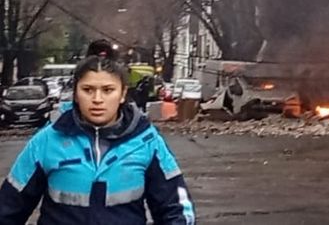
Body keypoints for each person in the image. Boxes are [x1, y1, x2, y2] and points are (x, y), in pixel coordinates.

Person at [0, 56, 196, 224]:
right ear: (76, 93)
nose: (97, 99)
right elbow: (8, 208)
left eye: (108, 90)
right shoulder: (47, 141)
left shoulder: (147, 142)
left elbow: (176, 209)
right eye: (88, 89)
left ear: (122, 94)